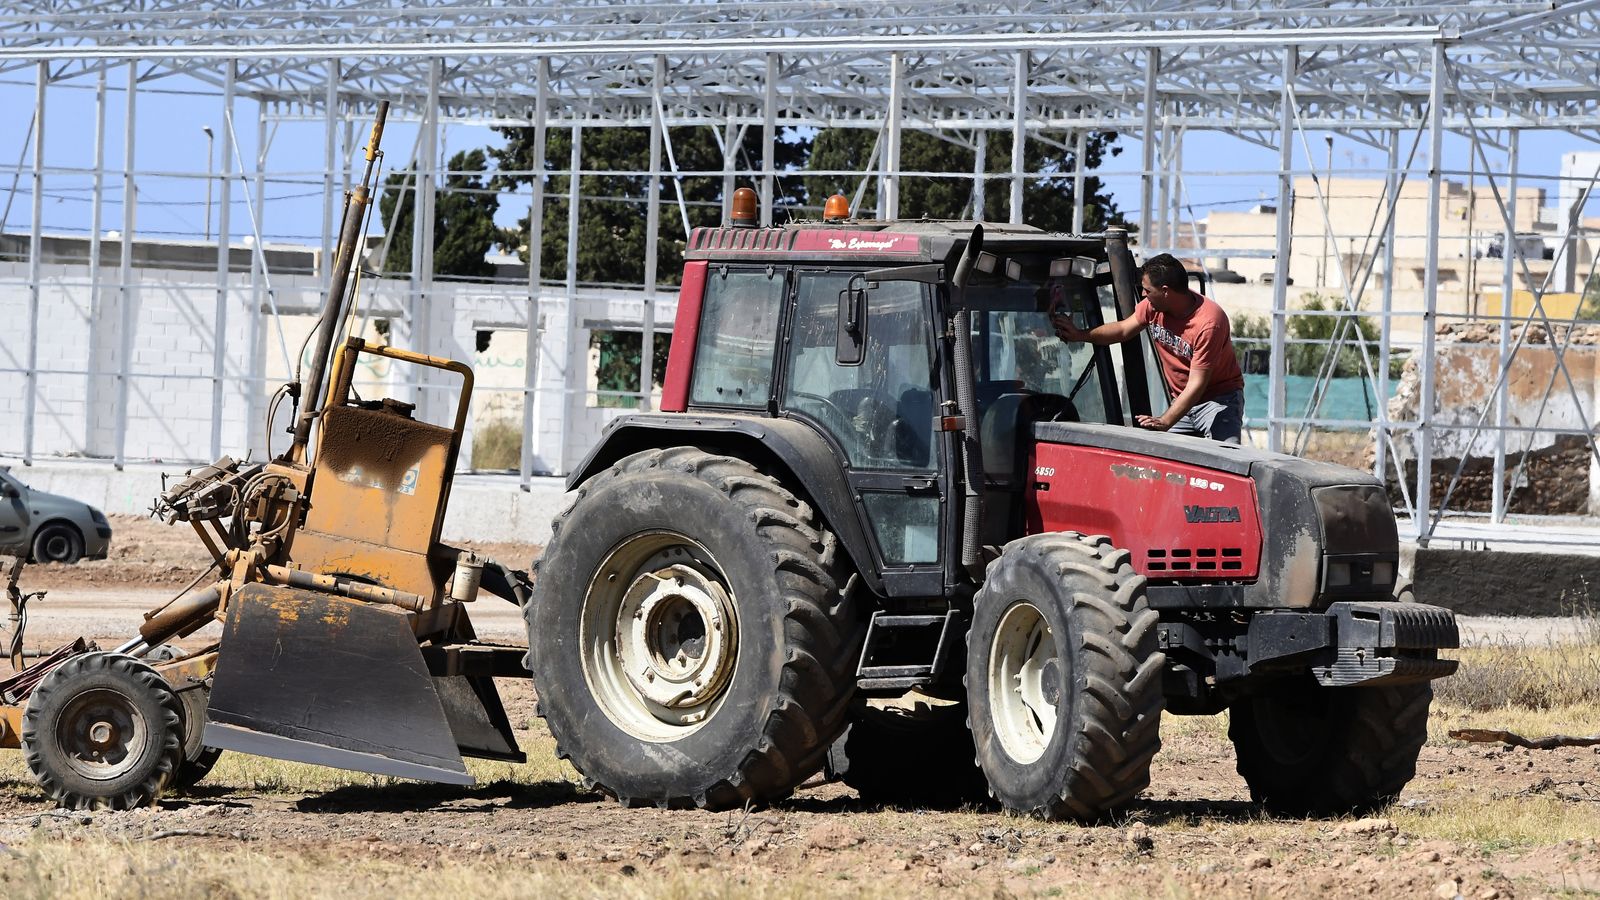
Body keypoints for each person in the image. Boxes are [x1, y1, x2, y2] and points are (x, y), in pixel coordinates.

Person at [1053, 253, 1246, 443]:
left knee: (1226, 459)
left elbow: (1197, 383)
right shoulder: (1153, 306)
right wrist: (1079, 335)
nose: (1144, 294)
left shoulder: (1209, 323)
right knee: (1154, 455)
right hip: (1181, 401)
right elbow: (1122, 330)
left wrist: (1165, 421)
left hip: (1217, 402)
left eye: (1148, 290)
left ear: (1165, 291)